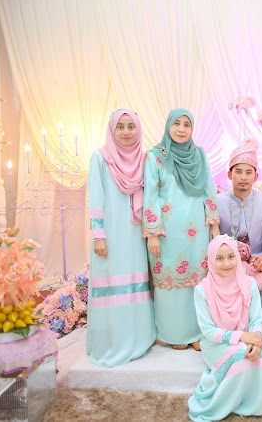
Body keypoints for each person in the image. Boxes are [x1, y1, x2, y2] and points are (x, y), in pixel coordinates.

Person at [143, 108, 220, 350]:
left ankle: (196, 333)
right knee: (170, 283)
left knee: (196, 282)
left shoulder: (199, 154)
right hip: (167, 232)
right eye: (176, 123)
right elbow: (150, 195)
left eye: (187, 124)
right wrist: (153, 234)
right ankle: (172, 334)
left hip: (196, 230)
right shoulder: (155, 157)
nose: (181, 129)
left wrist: (214, 224)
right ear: (168, 126)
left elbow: (208, 189)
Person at [87, 109, 156, 367]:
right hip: (109, 234)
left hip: (135, 235)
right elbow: (96, 197)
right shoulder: (100, 158)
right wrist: (98, 235)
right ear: (112, 130)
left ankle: (138, 338)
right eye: (120, 127)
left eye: (131, 126)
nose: (126, 132)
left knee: (134, 285)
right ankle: (110, 343)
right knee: (109, 284)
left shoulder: (144, 159)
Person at [188, 235, 262, 421]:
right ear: (211, 261)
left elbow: (256, 319)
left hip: (246, 339)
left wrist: (256, 340)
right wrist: (243, 338)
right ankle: (233, 403)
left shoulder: (249, 284)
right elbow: (208, 331)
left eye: (231, 256)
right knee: (241, 355)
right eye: (219, 258)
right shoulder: (202, 290)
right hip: (216, 344)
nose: (227, 263)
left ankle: (258, 404)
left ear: (237, 256)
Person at [217, 143, 262, 323]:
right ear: (229, 174)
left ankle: (255, 326)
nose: (243, 177)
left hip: (257, 260)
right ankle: (235, 326)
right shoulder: (218, 201)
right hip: (228, 261)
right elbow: (214, 236)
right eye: (238, 172)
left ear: (256, 176)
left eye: (248, 172)